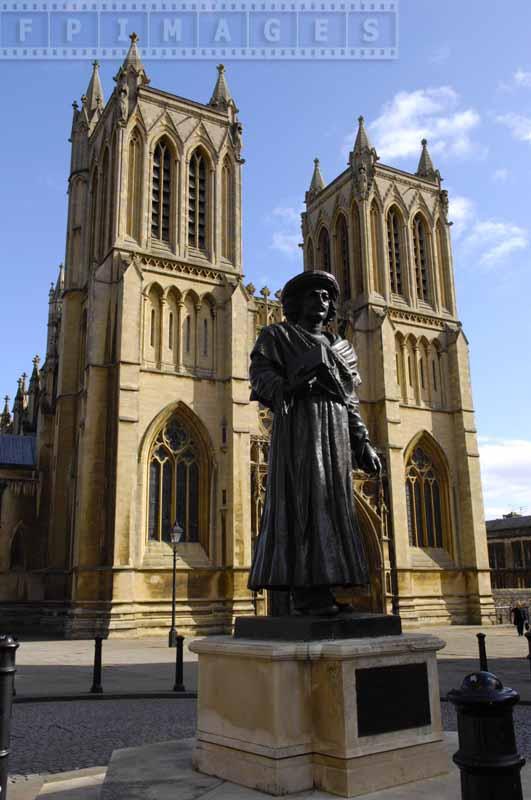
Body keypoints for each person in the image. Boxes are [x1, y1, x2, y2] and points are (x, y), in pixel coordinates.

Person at [247, 270, 381, 616]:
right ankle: (305, 593)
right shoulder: (278, 335)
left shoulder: (342, 348)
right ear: (295, 303)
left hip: (335, 432)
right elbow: (260, 377)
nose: (320, 302)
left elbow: (350, 401)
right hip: (299, 430)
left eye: (325, 297)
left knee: (333, 503)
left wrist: (362, 442)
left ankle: (327, 585)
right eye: (312, 296)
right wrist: (291, 387)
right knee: (302, 503)